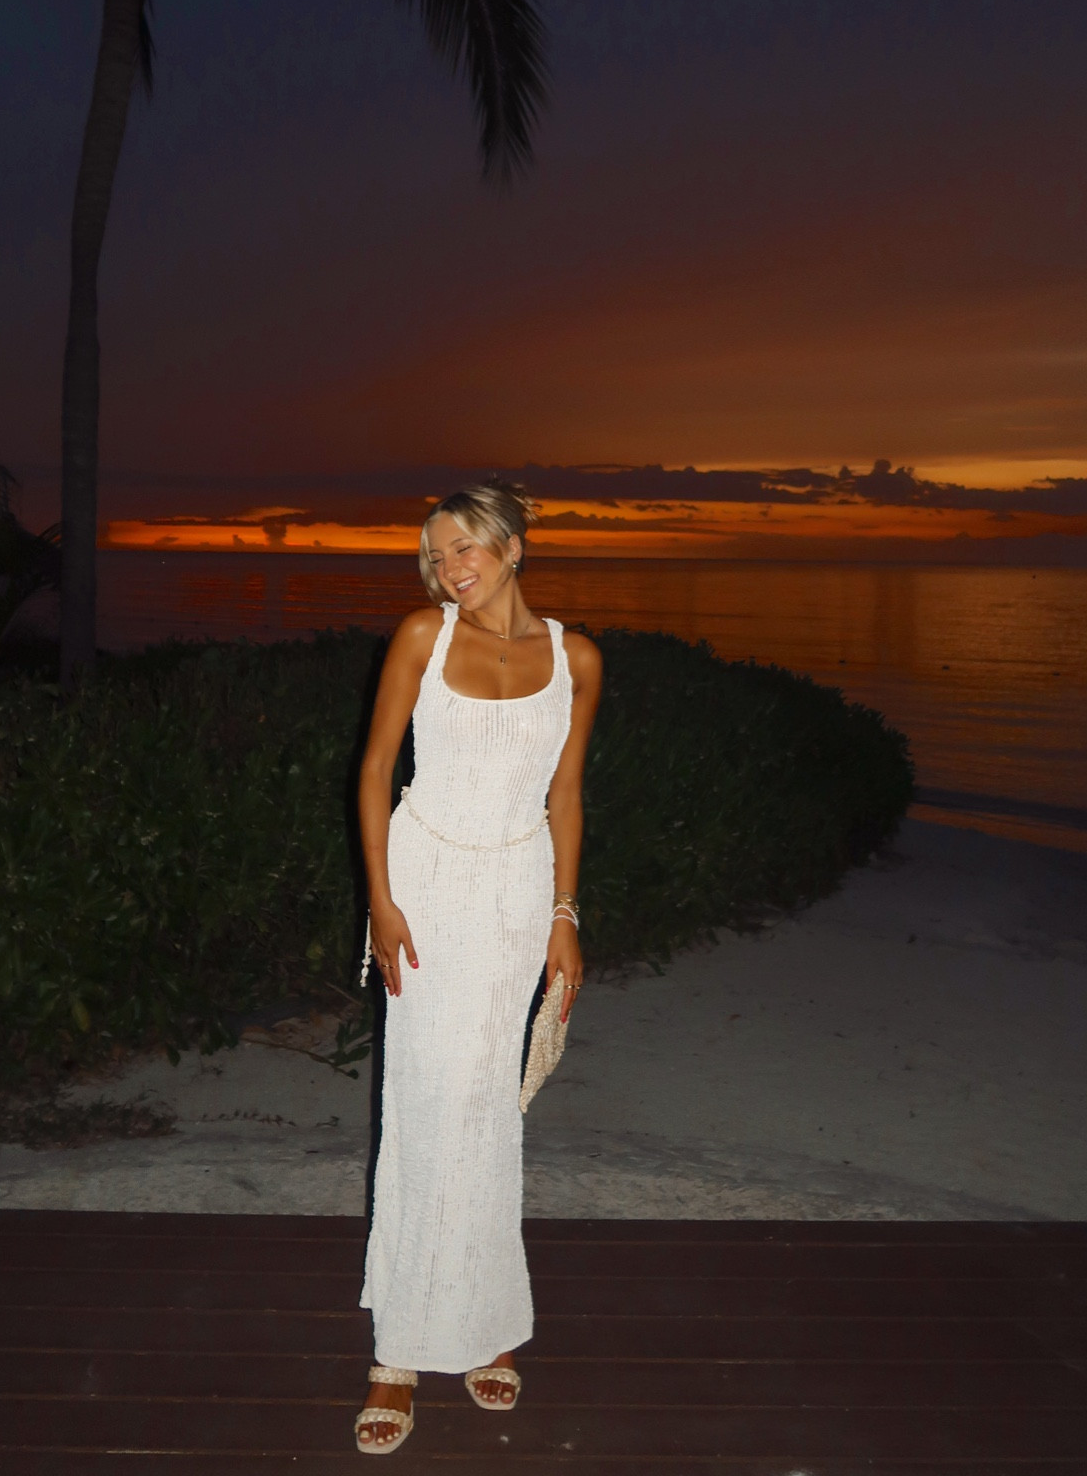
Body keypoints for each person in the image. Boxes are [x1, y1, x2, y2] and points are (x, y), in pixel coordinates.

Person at [353, 481, 602, 1454]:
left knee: (488, 1109)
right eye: (436, 553)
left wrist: (564, 915)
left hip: (514, 891)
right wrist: (379, 897)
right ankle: (399, 1351)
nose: (449, 565)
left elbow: (568, 793)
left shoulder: (575, 657)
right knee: (422, 1100)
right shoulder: (423, 636)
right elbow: (373, 768)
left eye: (463, 546)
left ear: (509, 543)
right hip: (424, 879)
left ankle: (488, 1317)